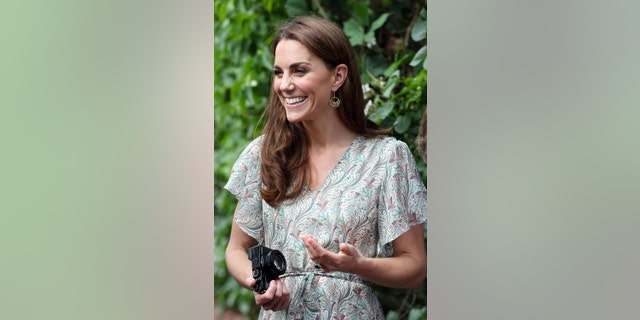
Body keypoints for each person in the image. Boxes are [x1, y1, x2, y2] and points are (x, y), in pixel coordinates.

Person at [224, 16, 427, 319]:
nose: (285, 85)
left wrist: (358, 265)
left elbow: (414, 267)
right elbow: (236, 250)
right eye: (278, 73)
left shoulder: (386, 158)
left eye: (300, 70)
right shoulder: (263, 155)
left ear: (337, 76)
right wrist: (258, 282)